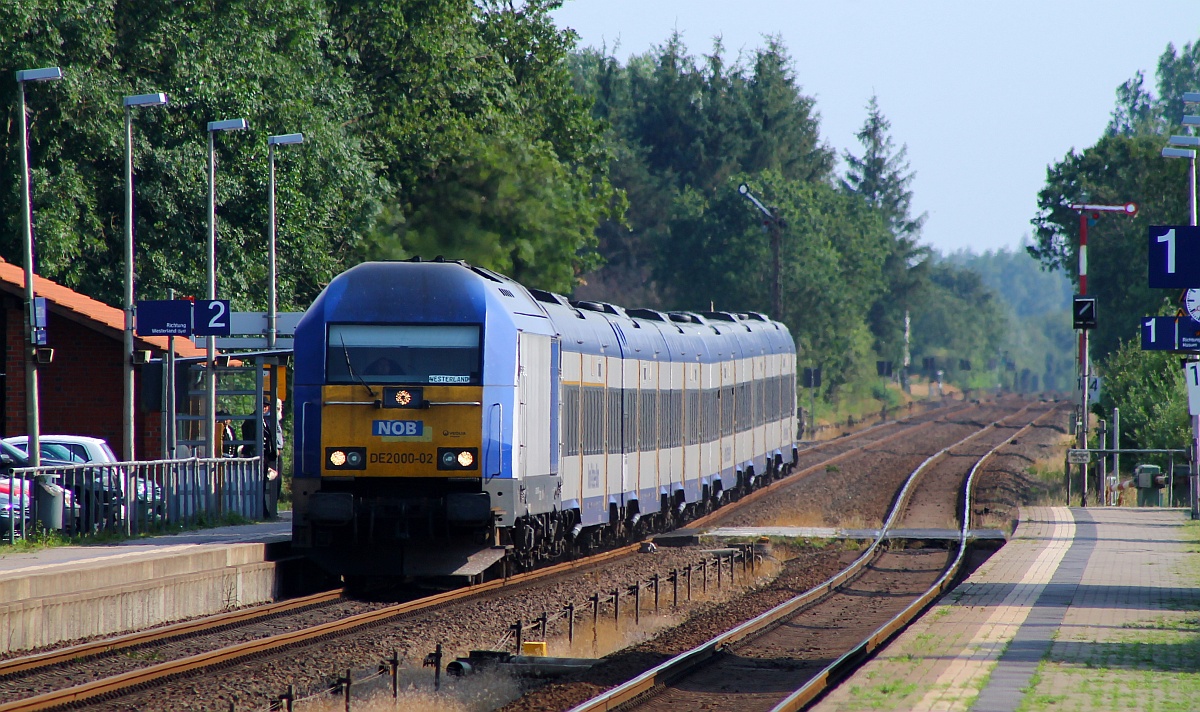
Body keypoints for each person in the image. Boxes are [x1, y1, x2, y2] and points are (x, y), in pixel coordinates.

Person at [244, 400, 284, 518]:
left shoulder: (268, 420)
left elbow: (273, 435)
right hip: (257, 456)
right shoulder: (252, 419)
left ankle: (267, 509)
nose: (265, 408)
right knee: (258, 484)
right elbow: (249, 437)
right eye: (263, 406)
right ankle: (261, 510)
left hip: (266, 457)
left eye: (267, 406)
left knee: (265, 483)